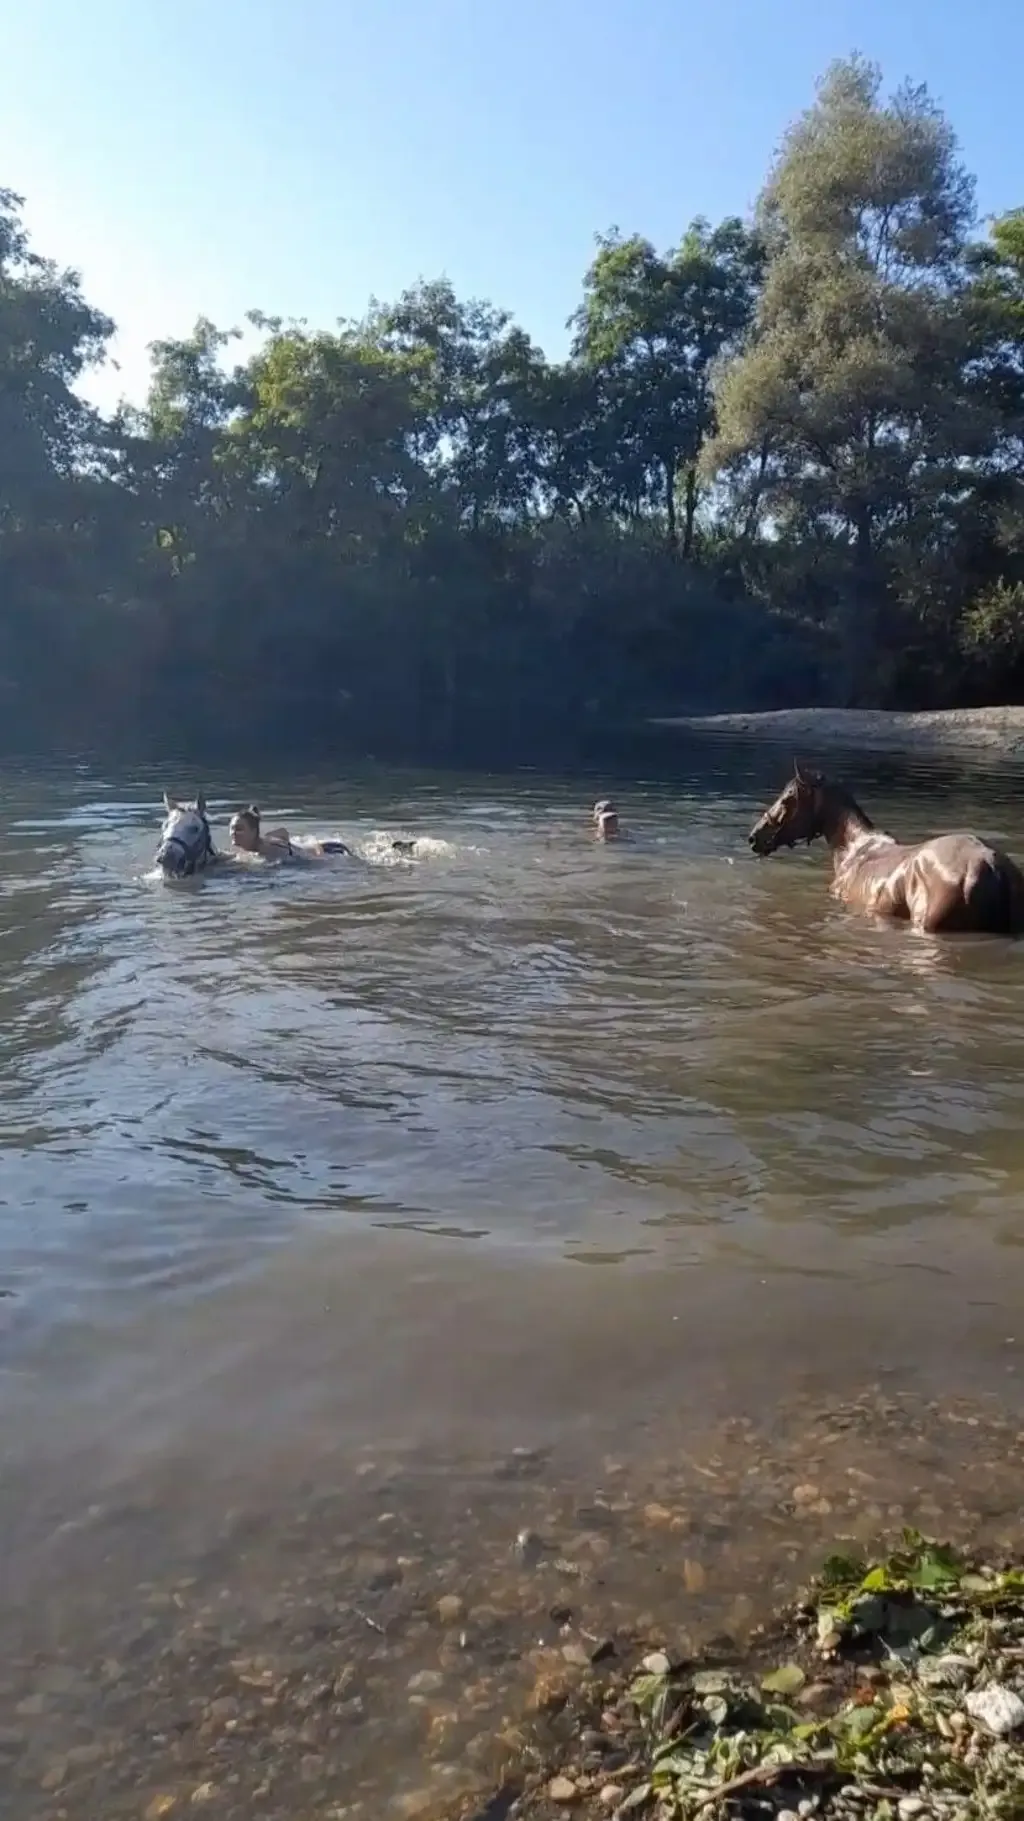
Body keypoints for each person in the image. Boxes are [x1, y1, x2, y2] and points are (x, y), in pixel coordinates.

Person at [229, 805, 350, 861]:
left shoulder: (268, 850)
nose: (233, 833)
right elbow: (283, 832)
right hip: (318, 846)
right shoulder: (266, 839)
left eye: (239, 829)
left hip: (332, 851)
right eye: (232, 828)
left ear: (253, 831)